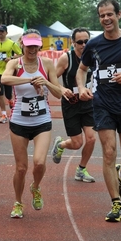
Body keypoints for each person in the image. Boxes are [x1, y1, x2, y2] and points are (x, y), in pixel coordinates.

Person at [76, 0, 121, 222]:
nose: (106, 19)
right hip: (102, 104)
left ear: (119, 15)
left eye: (109, 14)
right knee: (108, 153)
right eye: (102, 15)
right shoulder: (94, 45)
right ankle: (116, 204)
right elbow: (82, 69)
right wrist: (81, 87)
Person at [1, 29, 62, 219]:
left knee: (39, 162)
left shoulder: (47, 64)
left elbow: (59, 93)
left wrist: (45, 82)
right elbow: (5, 79)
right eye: (28, 46)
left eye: (35, 45)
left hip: (41, 120)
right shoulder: (14, 63)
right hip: (19, 120)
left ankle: (35, 187)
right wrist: (30, 79)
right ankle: (18, 202)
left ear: (40, 45)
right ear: (22, 45)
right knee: (21, 168)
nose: (32, 49)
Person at [51, 27, 96, 183]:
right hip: (71, 104)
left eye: (86, 41)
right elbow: (52, 78)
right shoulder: (66, 58)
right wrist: (63, 89)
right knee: (77, 143)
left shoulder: (94, 57)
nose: (84, 45)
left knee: (91, 139)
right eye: (80, 42)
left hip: (88, 103)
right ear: (73, 42)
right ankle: (61, 144)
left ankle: (81, 170)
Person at [0, 24, 23, 123]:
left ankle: (10, 100)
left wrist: (11, 58)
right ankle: (4, 115)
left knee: (8, 94)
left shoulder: (12, 43)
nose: (0, 33)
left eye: (2, 32)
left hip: (8, 71)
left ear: (6, 33)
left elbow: (21, 54)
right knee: (0, 93)